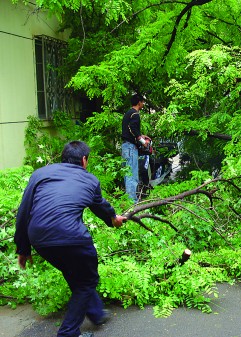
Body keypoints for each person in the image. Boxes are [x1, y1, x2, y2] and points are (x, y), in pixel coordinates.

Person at [14, 141, 127, 337]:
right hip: (72, 237)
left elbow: (24, 212)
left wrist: (23, 248)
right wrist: (113, 219)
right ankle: (68, 333)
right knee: (87, 281)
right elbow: (100, 205)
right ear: (84, 160)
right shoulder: (90, 180)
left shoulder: (40, 174)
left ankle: (96, 314)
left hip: (40, 239)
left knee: (74, 272)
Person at [121, 93, 151, 202]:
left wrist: (140, 135)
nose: (143, 104)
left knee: (126, 173)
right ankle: (132, 201)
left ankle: (127, 199)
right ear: (139, 102)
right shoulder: (135, 114)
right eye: (142, 102)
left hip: (125, 146)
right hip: (130, 147)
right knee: (132, 175)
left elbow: (129, 129)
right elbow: (133, 128)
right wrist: (143, 141)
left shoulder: (128, 113)